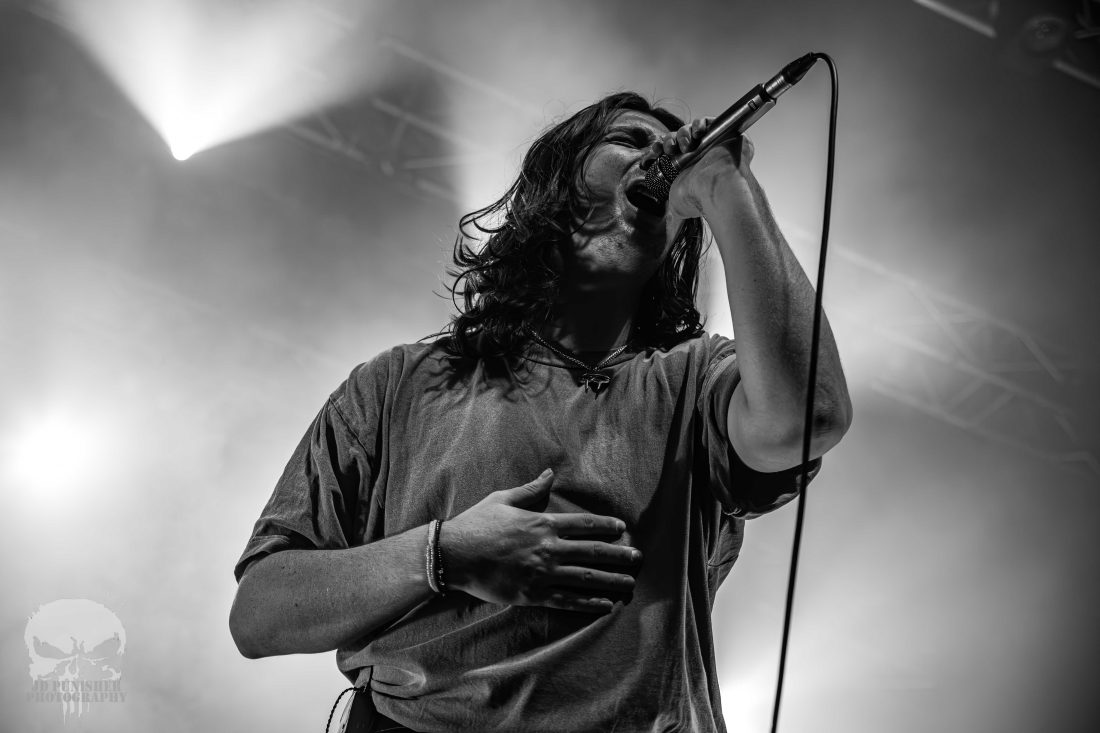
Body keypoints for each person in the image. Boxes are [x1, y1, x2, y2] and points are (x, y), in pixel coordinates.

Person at [229, 91, 852, 733]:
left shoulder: (700, 381)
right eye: (629, 140)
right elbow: (259, 613)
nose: (661, 156)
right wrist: (444, 555)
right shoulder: (397, 385)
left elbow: (808, 417)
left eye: (667, 149)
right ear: (556, 184)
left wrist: (726, 184)